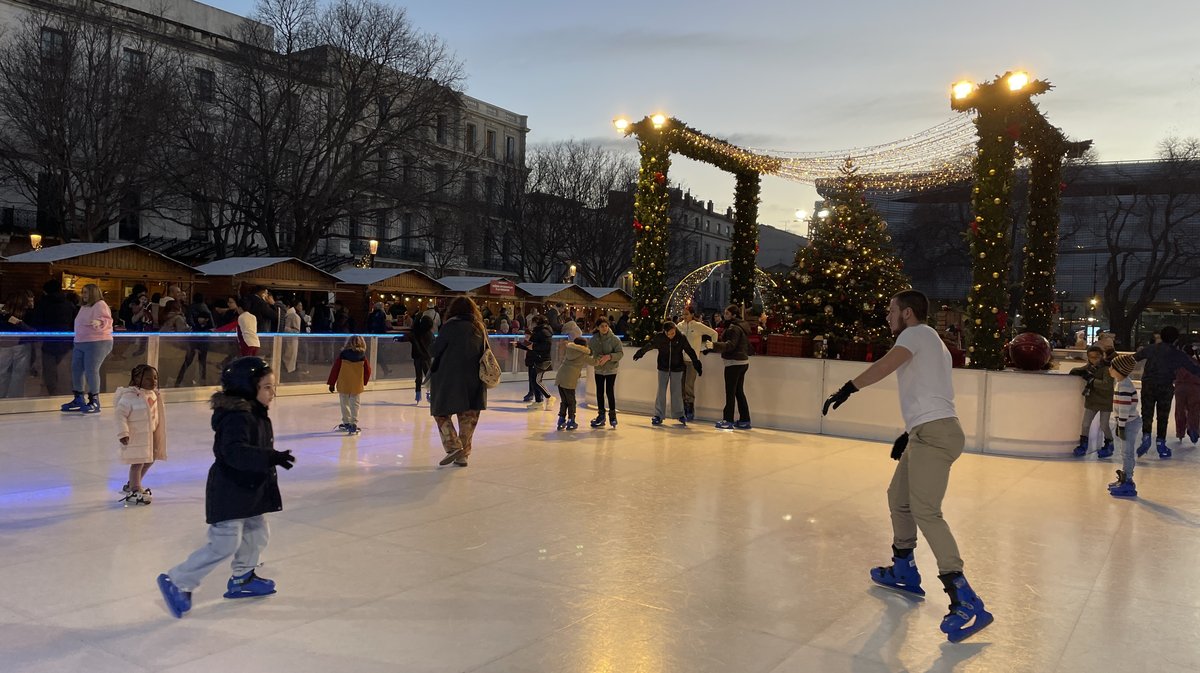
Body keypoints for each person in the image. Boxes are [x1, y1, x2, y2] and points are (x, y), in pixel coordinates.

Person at [821, 290, 992, 643]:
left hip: (936, 434)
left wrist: (848, 388)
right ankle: (904, 569)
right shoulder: (929, 340)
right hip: (927, 430)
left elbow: (885, 366)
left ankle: (965, 598)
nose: (887, 316)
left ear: (908, 313)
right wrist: (908, 430)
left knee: (926, 511)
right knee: (898, 497)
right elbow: (928, 389)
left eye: (891, 310)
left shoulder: (914, 334)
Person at [156, 357, 293, 618]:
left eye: (273, 387)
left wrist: (269, 458)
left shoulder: (254, 412)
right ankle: (179, 580)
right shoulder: (237, 418)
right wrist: (269, 457)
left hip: (250, 489)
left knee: (258, 534)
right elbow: (234, 452)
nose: (272, 393)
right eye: (266, 387)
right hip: (230, 491)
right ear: (247, 388)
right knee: (224, 543)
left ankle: (243, 578)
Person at [429, 297, 487, 467]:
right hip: (474, 379)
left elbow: (435, 350)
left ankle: (453, 445)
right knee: (468, 418)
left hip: (449, 378)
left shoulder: (450, 327)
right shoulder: (479, 327)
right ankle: (463, 455)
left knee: (441, 412)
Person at [1133, 325, 1200, 458]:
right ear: (1176, 339)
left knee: (1147, 412)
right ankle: (1161, 443)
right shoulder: (1178, 354)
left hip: (1148, 385)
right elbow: (1194, 369)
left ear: (1161, 336)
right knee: (1162, 416)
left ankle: (1146, 437)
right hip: (1165, 386)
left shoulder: (1151, 349)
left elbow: (1134, 358)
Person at [632, 321, 703, 426]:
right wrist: (641, 352)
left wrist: (696, 362)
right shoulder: (660, 337)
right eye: (669, 334)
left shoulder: (681, 337)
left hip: (677, 368)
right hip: (663, 367)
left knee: (677, 392)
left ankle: (679, 414)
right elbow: (650, 345)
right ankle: (658, 415)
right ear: (664, 332)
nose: (671, 336)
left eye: (673, 333)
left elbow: (689, 350)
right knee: (661, 391)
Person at [115, 364, 167, 506]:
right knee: (138, 462)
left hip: (150, 436)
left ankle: (132, 483)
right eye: (148, 378)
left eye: (155, 378)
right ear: (137, 379)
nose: (153, 381)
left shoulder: (154, 395)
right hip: (137, 436)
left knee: (150, 459)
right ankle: (135, 488)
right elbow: (120, 415)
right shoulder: (130, 397)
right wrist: (123, 432)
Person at [61, 284, 114, 415]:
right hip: (80, 342)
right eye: (83, 292)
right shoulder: (84, 307)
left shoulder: (100, 304)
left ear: (93, 293)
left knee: (91, 370)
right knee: (76, 369)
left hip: (97, 341)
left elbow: (107, 320)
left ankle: (94, 400)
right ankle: (78, 397)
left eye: (86, 293)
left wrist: (99, 322)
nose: (83, 295)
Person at [704, 304, 752, 430]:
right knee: (738, 392)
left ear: (733, 315)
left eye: (727, 313)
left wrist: (714, 345)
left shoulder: (733, 328)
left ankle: (728, 420)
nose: (724, 315)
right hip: (742, 362)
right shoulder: (740, 326)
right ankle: (744, 419)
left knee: (730, 392)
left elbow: (730, 345)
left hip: (733, 363)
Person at [29, 280, 77, 396]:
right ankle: (66, 392)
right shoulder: (68, 304)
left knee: (49, 368)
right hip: (66, 340)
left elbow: (36, 321)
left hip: (47, 340)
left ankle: (52, 391)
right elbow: (74, 321)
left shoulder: (43, 304)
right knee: (63, 368)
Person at [1067, 345, 1115, 458]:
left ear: (1102, 356)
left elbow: (1107, 385)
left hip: (1105, 400)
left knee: (1104, 425)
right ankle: (1083, 445)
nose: (1094, 359)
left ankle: (1109, 444)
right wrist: (1075, 371)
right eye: (1091, 357)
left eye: (1097, 357)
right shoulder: (1089, 368)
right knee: (1085, 424)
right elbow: (1080, 370)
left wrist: (1091, 380)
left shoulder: (1107, 368)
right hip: (1092, 400)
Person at [1107, 354, 1141, 497]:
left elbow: (1124, 408)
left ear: (1119, 370)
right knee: (1124, 452)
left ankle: (1128, 481)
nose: (1109, 369)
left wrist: (1121, 426)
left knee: (1127, 453)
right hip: (1127, 422)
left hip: (1128, 423)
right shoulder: (1121, 382)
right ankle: (1124, 477)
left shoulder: (1124, 385)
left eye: (1112, 367)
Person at [678, 305, 717, 421]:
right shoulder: (679, 326)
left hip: (692, 361)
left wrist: (711, 347)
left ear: (692, 314)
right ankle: (682, 409)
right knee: (681, 386)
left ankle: (689, 409)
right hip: (680, 360)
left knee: (688, 385)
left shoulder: (698, 326)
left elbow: (714, 333)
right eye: (683, 314)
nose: (684, 316)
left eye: (686, 314)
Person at [326, 335, 371, 435]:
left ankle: (346, 422)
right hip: (356, 383)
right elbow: (368, 370)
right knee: (355, 404)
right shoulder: (362, 356)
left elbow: (335, 369)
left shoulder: (343, 355)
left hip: (344, 382)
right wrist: (364, 381)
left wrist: (332, 383)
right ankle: (353, 423)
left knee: (344, 402)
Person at [588, 318, 624, 428]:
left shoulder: (614, 339)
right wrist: (596, 358)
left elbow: (620, 353)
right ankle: (601, 415)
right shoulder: (594, 339)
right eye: (602, 326)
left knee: (609, 391)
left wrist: (609, 357)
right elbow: (590, 352)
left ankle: (612, 416)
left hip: (611, 369)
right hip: (599, 369)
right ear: (598, 328)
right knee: (599, 392)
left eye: (606, 326)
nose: (604, 328)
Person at [0, 291, 35, 398]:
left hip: (4, 344)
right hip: (21, 344)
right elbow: (33, 330)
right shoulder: (27, 314)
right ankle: (14, 399)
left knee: (2, 373)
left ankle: (2, 397)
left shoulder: (3, 313)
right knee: (18, 374)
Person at [555, 337, 591, 431]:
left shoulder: (569, 350)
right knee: (571, 401)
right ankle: (571, 420)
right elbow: (594, 362)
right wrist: (602, 359)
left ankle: (561, 420)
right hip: (569, 379)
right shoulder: (583, 353)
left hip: (560, 376)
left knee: (564, 400)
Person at [517, 316, 553, 408]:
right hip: (536, 358)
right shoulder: (538, 332)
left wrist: (534, 346)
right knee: (534, 381)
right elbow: (531, 346)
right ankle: (538, 402)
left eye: (532, 322)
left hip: (541, 359)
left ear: (537, 322)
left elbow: (545, 347)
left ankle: (549, 396)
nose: (531, 324)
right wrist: (519, 345)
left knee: (537, 381)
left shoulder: (544, 332)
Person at [1173, 345, 1200, 446]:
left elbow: (1173, 373)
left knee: (1180, 410)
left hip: (1180, 388)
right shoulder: (1196, 362)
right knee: (1194, 410)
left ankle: (1180, 432)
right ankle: (1193, 428)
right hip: (1196, 388)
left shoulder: (1178, 363)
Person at [410, 310, 434, 404]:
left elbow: (414, 325)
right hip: (426, 357)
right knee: (428, 377)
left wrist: (419, 314)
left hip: (417, 357)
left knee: (418, 376)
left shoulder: (416, 333)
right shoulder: (430, 335)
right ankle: (429, 393)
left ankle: (418, 394)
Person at [281, 300, 302, 375]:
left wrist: (285, 328)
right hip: (288, 340)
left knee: (289, 358)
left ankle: (289, 372)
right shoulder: (291, 315)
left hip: (291, 340)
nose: (301, 307)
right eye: (299, 305)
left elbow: (296, 330)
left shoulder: (294, 315)